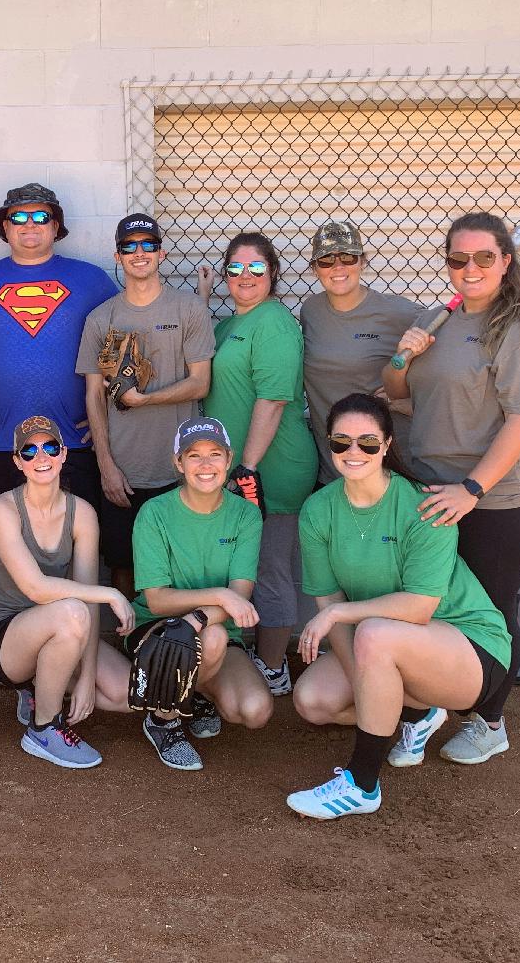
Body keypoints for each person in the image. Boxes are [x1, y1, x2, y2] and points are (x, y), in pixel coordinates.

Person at [286, 392, 512, 819]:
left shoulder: (423, 505)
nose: (354, 452)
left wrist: (338, 614)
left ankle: (362, 783)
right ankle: (419, 712)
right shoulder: (318, 509)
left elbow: (419, 607)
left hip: (469, 647)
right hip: (390, 642)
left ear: (387, 445)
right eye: (341, 442)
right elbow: (328, 597)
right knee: (312, 701)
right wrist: (361, 676)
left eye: (368, 442)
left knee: (373, 631)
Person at [381, 211, 520, 764]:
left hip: (499, 498)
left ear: (506, 262)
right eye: (459, 258)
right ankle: (431, 703)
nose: (471, 268)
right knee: (430, 604)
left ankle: (489, 722)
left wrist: (472, 490)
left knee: (489, 610)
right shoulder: (438, 317)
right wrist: (402, 354)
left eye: (485, 257)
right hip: (432, 489)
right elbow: (396, 394)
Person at [0, 416, 138, 769]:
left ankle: (40, 689)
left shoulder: (82, 513)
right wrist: (111, 594)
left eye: (49, 447)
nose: (40, 456)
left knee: (125, 694)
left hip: (59, 624)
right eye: (28, 450)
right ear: (17, 461)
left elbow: (88, 598)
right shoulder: (2, 509)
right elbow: (36, 587)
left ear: (63, 454)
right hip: (1, 636)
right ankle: (44, 727)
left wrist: (87, 678)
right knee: (73, 610)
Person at [197, 231, 318, 697]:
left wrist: (244, 468)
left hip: (271, 467)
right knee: (241, 562)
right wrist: (203, 300)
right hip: (229, 469)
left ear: (273, 274)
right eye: (235, 269)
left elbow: (271, 401)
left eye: (256, 268)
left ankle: (272, 666)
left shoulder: (275, 324)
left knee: (270, 566)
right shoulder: (231, 324)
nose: (245, 277)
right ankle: (246, 654)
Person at [0, 183, 118, 528]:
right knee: (4, 551)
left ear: (56, 226)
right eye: (19, 217)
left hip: (73, 442)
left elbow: (120, 349)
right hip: (2, 444)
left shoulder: (92, 280)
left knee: (80, 543)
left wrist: (107, 416)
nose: (30, 224)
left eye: (41, 216)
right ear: (5, 226)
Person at [77, 213, 215, 597]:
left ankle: (179, 653)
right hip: (125, 470)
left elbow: (200, 382)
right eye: (129, 246)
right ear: (117, 256)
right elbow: (93, 395)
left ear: (161, 252)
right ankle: (129, 649)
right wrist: (105, 465)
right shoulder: (100, 318)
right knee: (125, 566)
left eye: (147, 245)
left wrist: (145, 399)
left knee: (180, 568)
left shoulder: (188, 310)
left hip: (179, 471)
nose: (139, 253)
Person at [130, 417, 274, 771]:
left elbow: (240, 596)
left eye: (215, 454)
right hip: (157, 626)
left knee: (254, 711)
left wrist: (204, 613)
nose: (206, 465)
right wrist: (220, 598)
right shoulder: (155, 513)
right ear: (178, 463)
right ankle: (163, 721)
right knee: (212, 637)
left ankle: (193, 692)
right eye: (194, 455)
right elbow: (157, 599)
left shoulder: (245, 515)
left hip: (218, 631)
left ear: (229, 459)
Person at [299, 220, 421, 486]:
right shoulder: (311, 310)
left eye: (348, 257)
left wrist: (405, 401)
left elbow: (443, 361)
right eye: (326, 260)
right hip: (332, 465)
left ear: (362, 262)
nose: (338, 267)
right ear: (314, 269)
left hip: (385, 464)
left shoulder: (398, 313)